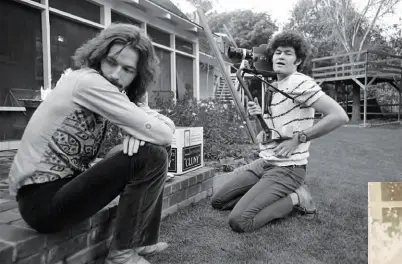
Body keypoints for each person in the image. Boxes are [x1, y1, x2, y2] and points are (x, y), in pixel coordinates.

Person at [8, 23, 175, 264]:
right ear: (98, 57)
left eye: (127, 69)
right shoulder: (89, 83)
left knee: (146, 150)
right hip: (41, 203)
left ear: (137, 74)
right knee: (152, 155)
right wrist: (143, 129)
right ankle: (122, 254)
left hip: (65, 187)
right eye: (111, 62)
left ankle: (141, 240)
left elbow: (157, 123)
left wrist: (140, 131)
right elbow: (164, 133)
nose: (116, 74)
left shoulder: (110, 89)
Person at [211, 31, 349, 233]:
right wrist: (259, 116)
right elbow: (272, 132)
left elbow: (339, 116)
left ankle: (296, 197)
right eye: (277, 53)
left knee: (240, 221)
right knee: (218, 201)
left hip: (288, 168)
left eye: (287, 53)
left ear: (298, 60)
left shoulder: (299, 82)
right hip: (265, 163)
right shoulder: (273, 87)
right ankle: (265, 191)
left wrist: (299, 138)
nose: (280, 57)